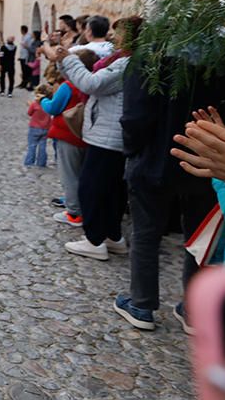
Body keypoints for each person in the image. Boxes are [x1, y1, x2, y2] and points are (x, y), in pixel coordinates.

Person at [116, 49, 225, 331]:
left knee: (146, 234)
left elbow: (134, 117)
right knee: (197, 239)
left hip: (154, 160)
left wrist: (133, 152)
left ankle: (142, 303)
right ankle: (193, 310)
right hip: (203, 162)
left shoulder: (150, 56)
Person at [45, 18, 139, 261]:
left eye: (118, 33)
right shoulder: (127, 61)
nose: (113, 37)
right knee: (111, 190)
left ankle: (95, 240)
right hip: (111, 134)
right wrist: (66, 62)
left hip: (108, 135)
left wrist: (67, 58)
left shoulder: (125, 64)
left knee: (92, 188)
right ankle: (112, 236)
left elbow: (90, 83)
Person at [41, 49, 97, 228]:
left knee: (69, 175)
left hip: (67, 134)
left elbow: (54, 108)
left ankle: (74, 213)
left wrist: (43, 101)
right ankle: (83, 208)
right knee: (82, 175)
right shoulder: (94, 83)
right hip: (86, 136)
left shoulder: (69, 85)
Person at [25, 85, 52, 167]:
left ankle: (29, 162)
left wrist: (30, 105)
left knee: (32, 145)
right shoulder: (49, 104)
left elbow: (29, 113)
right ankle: (41, 162)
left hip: (34, 127)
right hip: (46, 128)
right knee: (43, 146)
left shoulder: (34, 104)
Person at [19, 25, 32, 90]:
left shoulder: (28, 37)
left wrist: (25, 45)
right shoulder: (23, 36)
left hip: (26, 56)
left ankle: (25, 83)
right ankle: (22, 83)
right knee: (23, 70)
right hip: (22, 56)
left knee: (26, 71)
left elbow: (29, 46)